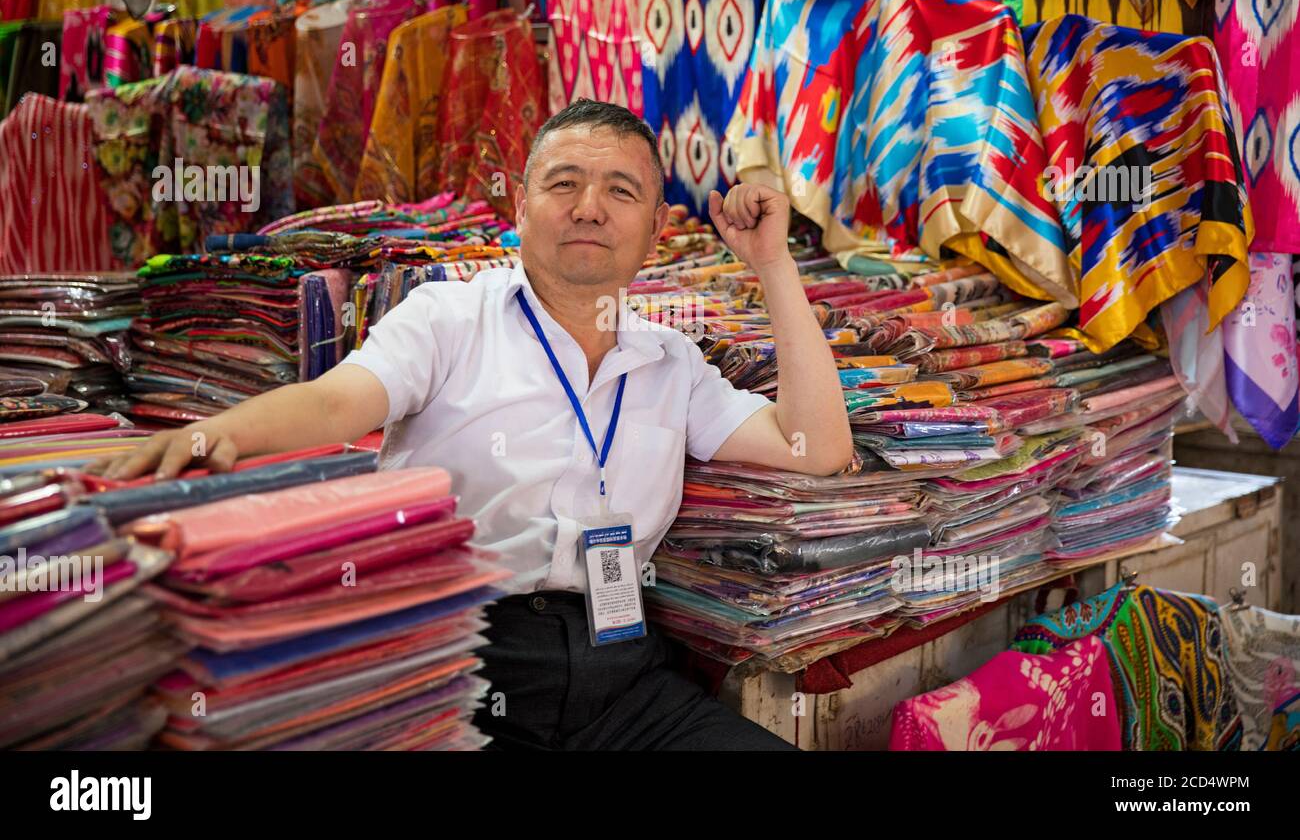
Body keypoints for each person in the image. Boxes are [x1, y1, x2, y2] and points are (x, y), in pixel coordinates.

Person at [97, 99, 854, 750]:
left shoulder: (671, 361)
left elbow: (817, 448)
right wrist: (212, 436)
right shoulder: (448, 318)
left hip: (622, 678)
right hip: (462, 663)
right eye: (564, 184)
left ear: (657, 226)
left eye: (619, 190)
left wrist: (772, 264)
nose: (589, 206)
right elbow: (337, 403)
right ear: (521, 206)